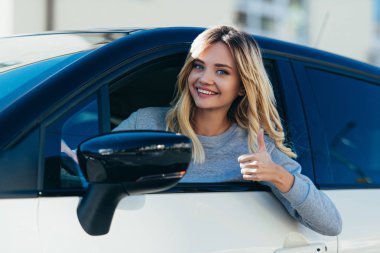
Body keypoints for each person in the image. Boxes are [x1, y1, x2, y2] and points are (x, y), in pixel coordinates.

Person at [113, 25, 342, 236]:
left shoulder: (255, 148)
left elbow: (331, 225)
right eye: (198, 66)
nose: (205, 79)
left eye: (221, 72)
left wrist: (278, 175)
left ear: (242, 87)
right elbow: (89, 169)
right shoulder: (146, 122)